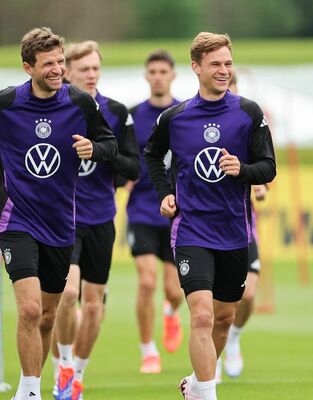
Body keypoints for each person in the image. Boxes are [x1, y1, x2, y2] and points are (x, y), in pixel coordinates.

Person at [0, 27, 117, 400]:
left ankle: (33, 383)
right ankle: (30, 391)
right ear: (27, 67)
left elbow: (110, 144)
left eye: (60, 62)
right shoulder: (3, 103)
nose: (57, 70)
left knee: (49, 315)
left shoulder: (80, 103)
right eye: (48, 64)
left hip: (62, 222)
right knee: (30, 309)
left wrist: (92, 150)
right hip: (16, 219)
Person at [144, 32, 275, 400]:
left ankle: (196, 384)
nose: (223, 70)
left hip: (234, 232)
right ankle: (208, 394)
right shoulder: (175, 117)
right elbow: (152, 156)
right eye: (215, 64)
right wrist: (165, 192)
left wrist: (242, 170)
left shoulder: (249, 113)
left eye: (228, 64)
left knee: (223, 319)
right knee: (201, 316)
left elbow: (267, 168)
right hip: (191, 232)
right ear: (196, 67)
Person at [50, 40, 140, 400]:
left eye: (95, 68)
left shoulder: (116, 113)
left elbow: (133, 166)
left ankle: (79, 373)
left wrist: (101, 151)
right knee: (66, 293)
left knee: (93, 304)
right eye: (83, 69)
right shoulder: (53, 109)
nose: (91, 75)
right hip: (62, 220)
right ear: (67, 71)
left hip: (101, 218)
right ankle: (64, 366)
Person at [125, 49, 185, 374]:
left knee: (174, 291)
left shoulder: (184, 113)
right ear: (146, 76)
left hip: (176, 212)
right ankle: (148, 349)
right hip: (142, 212)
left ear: (173, 75)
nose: (158, 76)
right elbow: (123, 157)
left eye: (164, 71)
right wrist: (124, 178)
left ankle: (171, 312)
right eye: (153, 71)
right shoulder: (133, 117)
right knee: (147, 282)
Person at [221, 74, 269, 380]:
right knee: (210, 302)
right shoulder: (198, 126)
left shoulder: (247, 125)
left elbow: (261, 166)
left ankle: (234, 338)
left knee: (248, 295)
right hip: (205, 226)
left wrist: (259, 186)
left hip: (242, 224)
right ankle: (209, 361)